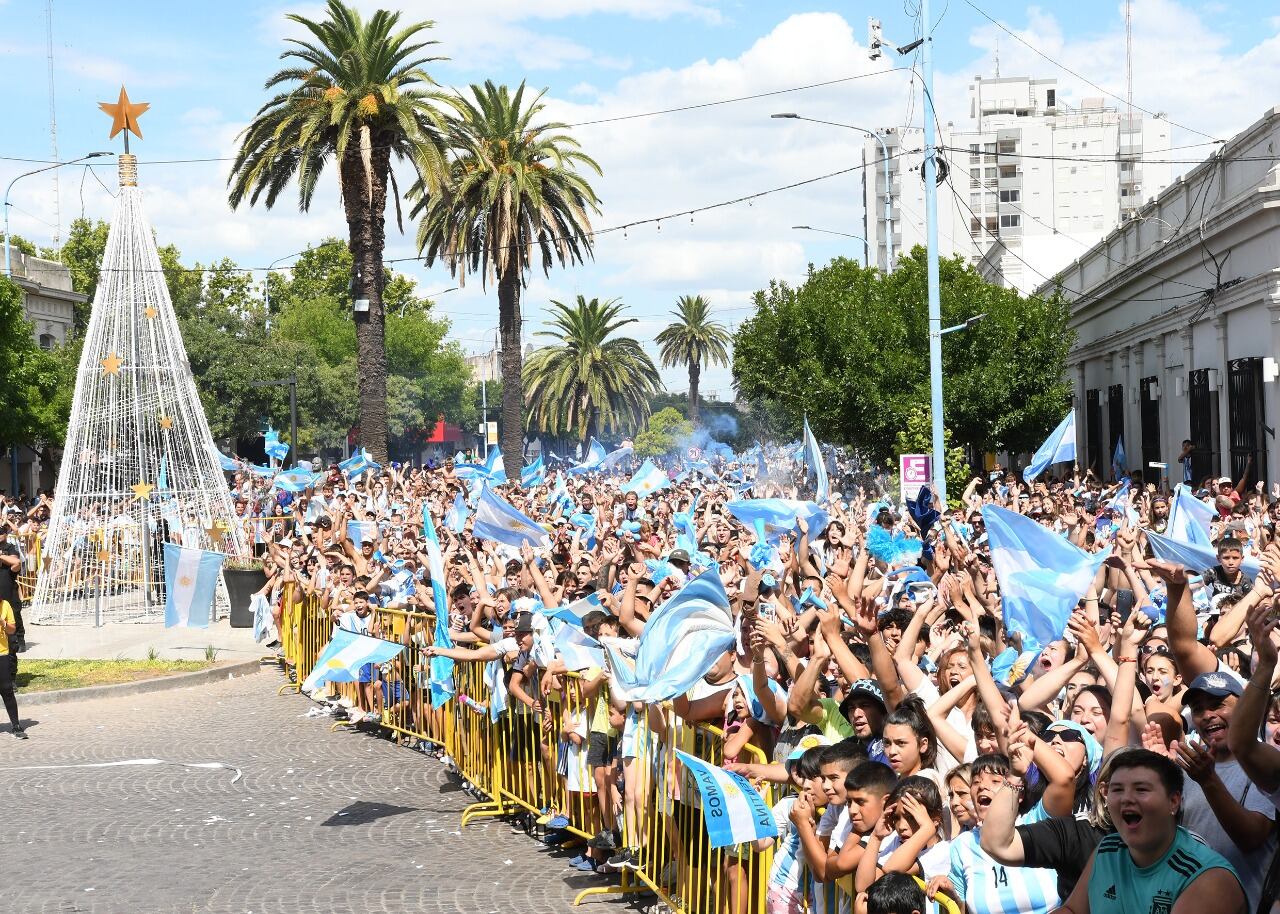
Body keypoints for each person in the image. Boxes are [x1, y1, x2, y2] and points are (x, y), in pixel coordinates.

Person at [1053, 749, 1245, 914]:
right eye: (1117, 789)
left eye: (1141, 789)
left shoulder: (1207, 878)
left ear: (1174, 801)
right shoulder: (1108, 849)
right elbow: (1072, 910)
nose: (1126, 798)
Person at [0, 595, 23, 738]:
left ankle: (16, 725)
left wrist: (3, 623)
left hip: (2, 653)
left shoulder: (5, 605)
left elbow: (12, 630)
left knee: (7, 690)